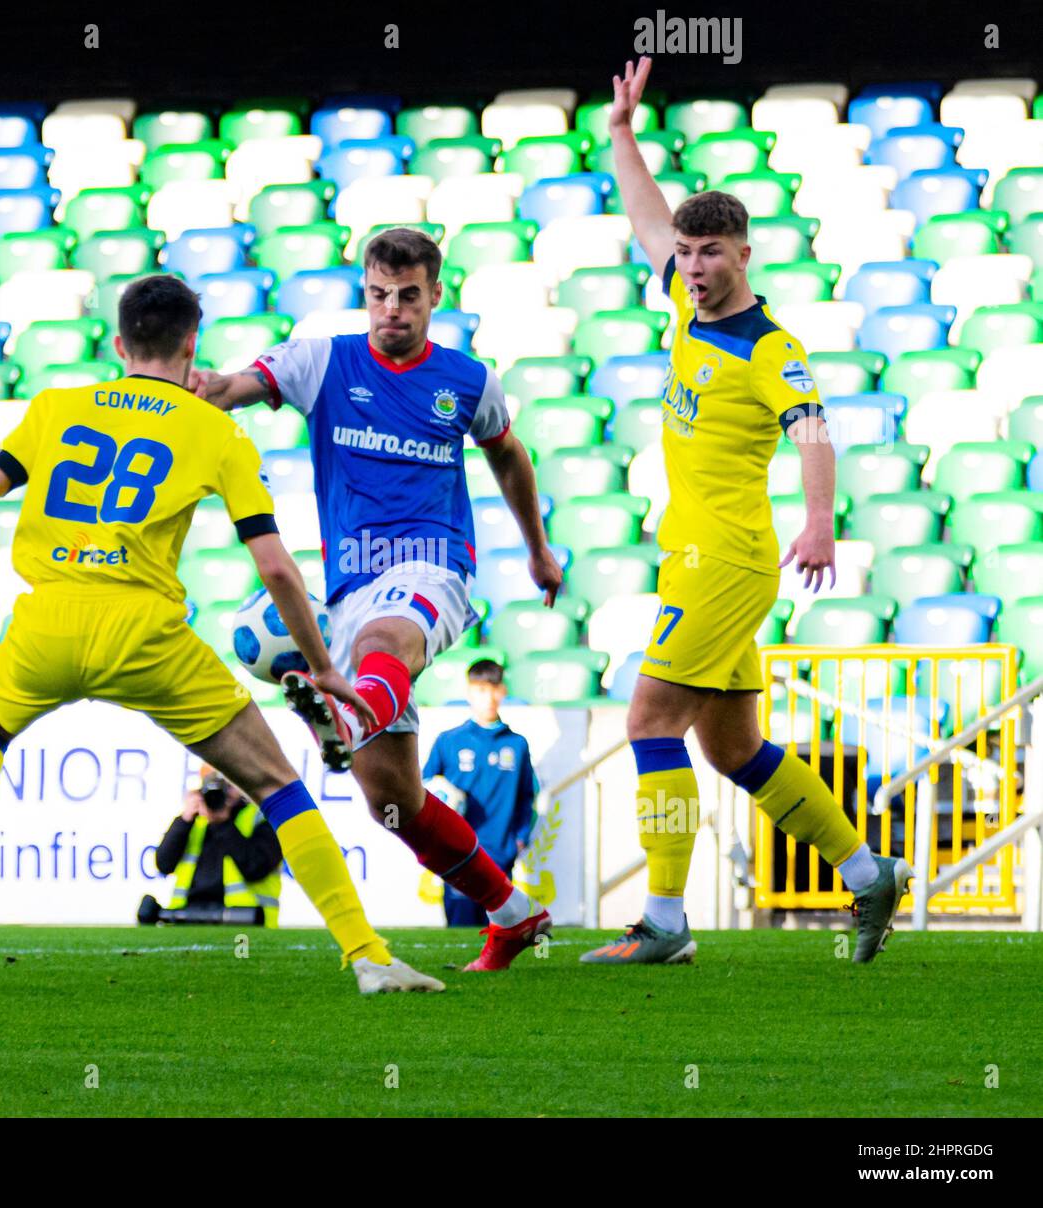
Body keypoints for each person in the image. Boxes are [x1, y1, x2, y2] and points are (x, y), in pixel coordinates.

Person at [0, 274, 443, 994]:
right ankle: (366, 956)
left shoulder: (57, 407)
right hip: (146, 634)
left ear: (119, 344)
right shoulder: (216, 431)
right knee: (275, 784)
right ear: (192, 343)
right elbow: (275, 567)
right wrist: (323, 666)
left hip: (49, 619)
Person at [578, 57, 912, 968]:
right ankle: (867, 869)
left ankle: (664, 921)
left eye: (709, 253)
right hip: (695, 554)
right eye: (686, 254)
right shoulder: (684, 307)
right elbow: (649, 213)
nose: (691, 267)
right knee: (733, 747)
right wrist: (620, 135)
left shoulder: (771, 347)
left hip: (724, 561)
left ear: (744, 255)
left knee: (648, 722)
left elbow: (814, 434)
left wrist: (819, 524)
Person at [190, 228, 563, 971]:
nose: (391, 310)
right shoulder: (322, 360)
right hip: (351, 588)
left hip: (434, 569)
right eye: (378, 295)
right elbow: (228, 391)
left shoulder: (468, 380)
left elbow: (509, 455)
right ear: (364, 291)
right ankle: (512, 913)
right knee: (394, 803)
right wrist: (187, 383)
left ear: (435, 296)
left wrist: (537, 547)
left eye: (408, 297)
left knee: (380, 646)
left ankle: (348, 703)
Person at [422, 660, 538, 928]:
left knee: (497, 932)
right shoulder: (448, 740)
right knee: (461, 931)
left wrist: (520, 837)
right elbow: (423, 789)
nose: (487, 697)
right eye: (480, 690)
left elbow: (527, 797)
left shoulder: (517, 744)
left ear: (503, 691)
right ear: (469, 693)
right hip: (458, 852)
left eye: (493, 689)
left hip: (500, 853)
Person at [153, 766, 283, 925]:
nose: (223, 792)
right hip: (188, 916)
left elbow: (256, 867)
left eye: (229, 784)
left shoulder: (260, 818)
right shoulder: (195, 821)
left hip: (244, 919)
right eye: (213, 784)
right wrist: (184, 819)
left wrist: (223, 823)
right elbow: (164, 864)